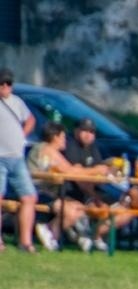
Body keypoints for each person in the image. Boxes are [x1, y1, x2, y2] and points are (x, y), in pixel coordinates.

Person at [26, 122, 90, 252]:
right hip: (37, 193)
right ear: (55, 137)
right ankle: (50, 231)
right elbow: (70, 171)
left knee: (79, 208)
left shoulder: (44, 148)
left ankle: (58, 235)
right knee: (70, 212)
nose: (65, 140)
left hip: (48, 193)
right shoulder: (48, 149)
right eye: (63, 137)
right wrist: (98, 170)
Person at [0, 68, 39, 252]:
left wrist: (22, 135)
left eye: (8, 84)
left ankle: (26, 242)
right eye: (2, 84)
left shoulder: (17, 102)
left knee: (29, 196)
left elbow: (30, 120)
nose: (5, 87)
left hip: (17, 157)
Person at [62, 118, 114, 253]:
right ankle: (83, 236)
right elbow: (76, 174)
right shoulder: (70, 145)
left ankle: (96, 237)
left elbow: (100, 171)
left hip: (88, 192)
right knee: (95, 206)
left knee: (113, 206)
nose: (88, 134)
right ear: (76, 131)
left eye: (91, 132)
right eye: (84, 130)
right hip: (70, 193)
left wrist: (108, 172)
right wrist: (94, 194)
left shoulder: (93, 148)